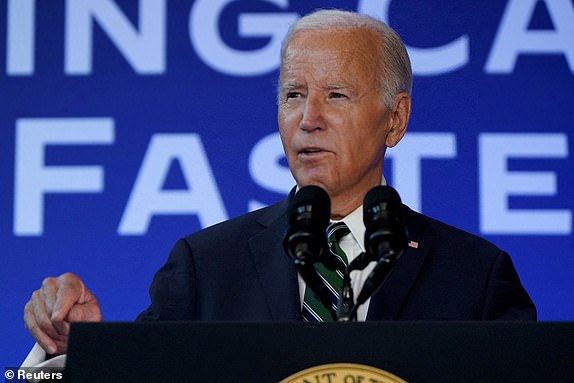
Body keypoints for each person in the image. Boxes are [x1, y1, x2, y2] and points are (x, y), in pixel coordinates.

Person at [23, 9, 536, 363]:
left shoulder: (474, 277)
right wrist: (77, 347)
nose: (308, 119)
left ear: (395, 119)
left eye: (336, 95)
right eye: (293, 94)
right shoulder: (206, 267)